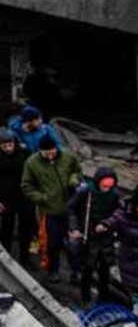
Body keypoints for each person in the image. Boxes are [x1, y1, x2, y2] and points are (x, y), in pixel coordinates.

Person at [19, 134, 82, 282]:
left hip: (71, 209)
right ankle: (53, 270)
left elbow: (78, 171)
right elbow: (26, 185)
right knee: (53, 243)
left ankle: (76, 272)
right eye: (46, 152)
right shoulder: (32, 163)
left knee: (74, 243)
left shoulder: (68, 157)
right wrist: (41, 198)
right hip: (50, 211)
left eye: (52, 151)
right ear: (40, 151)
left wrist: (74, 179)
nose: (50, 155)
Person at [67, 167, 122, 305]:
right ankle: (85, 297)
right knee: (87, 268)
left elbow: (117, 214)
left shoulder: (114, 195)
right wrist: (74, 227)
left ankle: (103, 298)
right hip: (87, 236)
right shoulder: (85, 192)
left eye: (110, 186)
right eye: (105, 186)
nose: (107, 189)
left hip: (105, 237)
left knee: (105, 270)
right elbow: (71, 208)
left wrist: (107, 224)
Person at [99, 183, 138, 300]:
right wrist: (105, 225)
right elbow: (113, 220)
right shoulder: (124, 214)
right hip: (131, 262)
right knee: (137, 296)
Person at [0, 130, 34, 264]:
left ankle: (25, 257)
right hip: (5, 198)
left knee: (26, 228)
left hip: (24, 195)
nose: (8, 148)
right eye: (4, 146)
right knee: (6, 228)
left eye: (10, 145)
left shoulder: (24, 153)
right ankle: (5, 256)